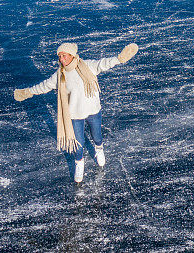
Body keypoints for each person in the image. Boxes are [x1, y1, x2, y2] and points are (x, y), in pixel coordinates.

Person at [13, 42, 139, 183]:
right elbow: (44, 86)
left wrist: (119, 58)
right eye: (59, 56)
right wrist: (27, 92)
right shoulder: (59, 75)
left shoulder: (87, 66)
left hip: (92, 110)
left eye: (64, 55)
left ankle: (99, 150)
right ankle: (79, 163)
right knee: (77, 144)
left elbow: (103, 64)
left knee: (97, 136)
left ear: (72, 55)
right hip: (74, 115)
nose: (62, 59)